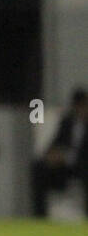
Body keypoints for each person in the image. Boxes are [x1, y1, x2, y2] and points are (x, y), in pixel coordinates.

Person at [31, 88, 88, 217]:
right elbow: (56, 141)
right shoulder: (67, 122)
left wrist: (68, 156)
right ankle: (40, 215)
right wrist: (50, 154)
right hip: (65, 167)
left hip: (82, 164)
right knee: (38, 167)